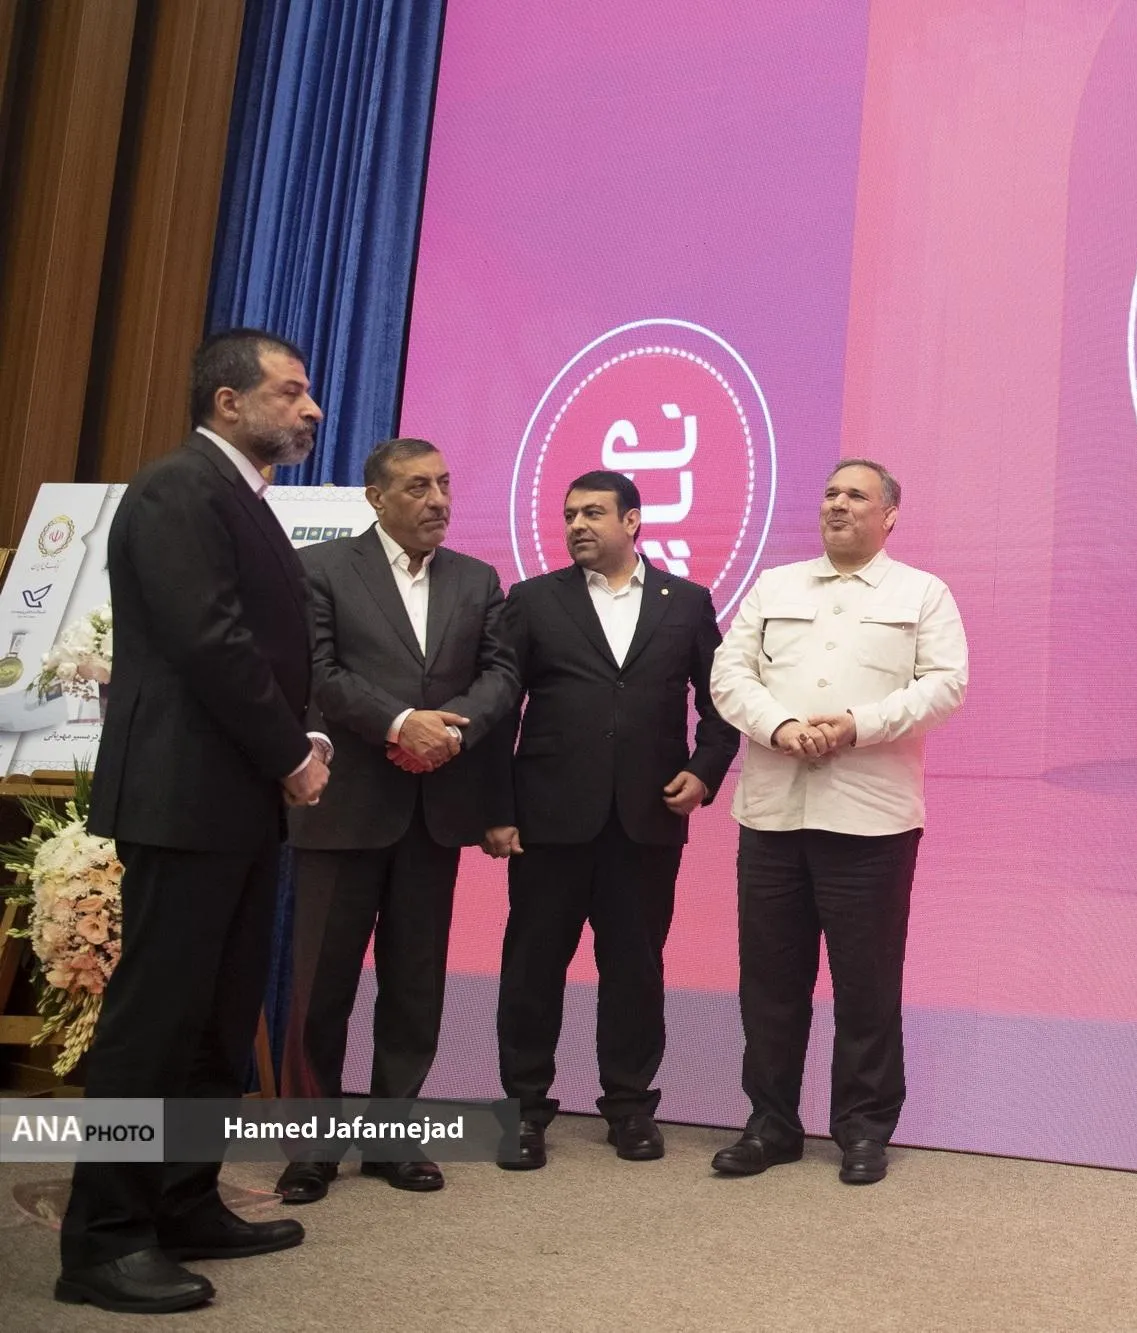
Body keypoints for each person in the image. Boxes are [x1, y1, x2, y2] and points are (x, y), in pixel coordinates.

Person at [57, 329, 330, 1314]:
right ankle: (103, 1239)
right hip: (182, 799)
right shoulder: (179, 488)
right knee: (156, 1024)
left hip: (233, 800)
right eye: (290, 390)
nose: (310, 408)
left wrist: (296, 739)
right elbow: (212, 642)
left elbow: (263, 646)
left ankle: (181, 1199)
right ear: (227, 400)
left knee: (217, 1018)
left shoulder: (239, 497)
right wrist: (294, 753)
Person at [708, 459, 967, 1185]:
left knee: (867, 985)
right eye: (830, 493)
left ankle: (863, 1129)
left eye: (856, 495)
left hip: (871, 821)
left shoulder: (923, 592)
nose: (838, 504)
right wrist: (781, 726)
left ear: (890, 516)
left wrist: (858, 724)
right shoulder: (776, 585)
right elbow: (729, 675)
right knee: (769, 983)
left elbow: (946, 685)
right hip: (774, 814)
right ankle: (770, 1125)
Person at [273, 438, 518, 1204]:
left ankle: (392, 1136)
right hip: (343, 807)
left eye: (444, 484)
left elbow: (502, 674)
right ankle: (311, 1145)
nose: (438, 500)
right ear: (376, 498)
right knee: (321, 986)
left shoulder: (477, 579)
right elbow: (317, 672)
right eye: (417, 486)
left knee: (414, 985)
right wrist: (401, 722)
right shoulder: (320, 569)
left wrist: (449, 732)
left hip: (432, 811)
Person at [484, 470, 739, 1169]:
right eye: (570, 514)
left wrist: (705, 770)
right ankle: (523, 1111)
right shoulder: (533, 600)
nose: (577, 525)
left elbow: (722, 701)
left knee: (635, 969)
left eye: (593, 512)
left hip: (646, 820)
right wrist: (497, 809)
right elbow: (500, 710)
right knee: (532, 968)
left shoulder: (687, 602)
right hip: (547, 818)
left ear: (632, 521)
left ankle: (629, 1108)